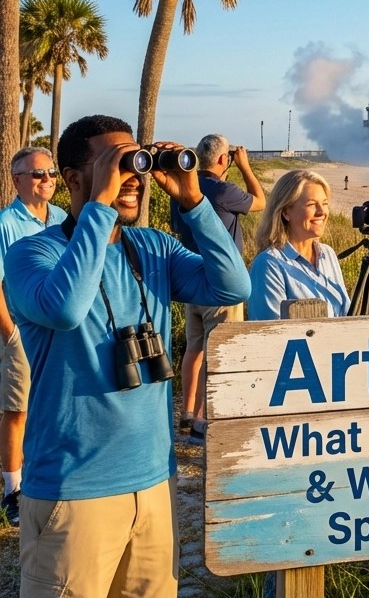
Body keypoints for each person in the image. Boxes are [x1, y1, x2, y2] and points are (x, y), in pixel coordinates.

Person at [3, 114, 250, 598]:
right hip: (73, 491)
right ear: (73, 179)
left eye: (136, 163)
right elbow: (68, 307)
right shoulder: (33, 255)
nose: (132, 177)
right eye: (115, 164)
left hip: (155, 482)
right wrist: (99, 206)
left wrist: (194, 200)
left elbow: (232, 286)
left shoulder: (153, 247)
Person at [170, 134, 266, 442]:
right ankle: (204, 420)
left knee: (194, 348)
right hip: (222, 285)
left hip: (190, 279)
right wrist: (246, 167)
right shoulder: (224, 190)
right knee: (220, 354)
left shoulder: (185, 189)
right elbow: (260, 202)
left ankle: (187, 413)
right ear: (223, 160)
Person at [0, 147, 65, 527]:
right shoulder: (7, 223)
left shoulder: (60, 218)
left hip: (58, 330)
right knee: (17, 408)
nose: (47, 180)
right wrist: (10, 334)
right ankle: (12, 489)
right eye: (38, 174)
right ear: (17, 180)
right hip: (21, 332)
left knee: (50, 403)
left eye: (52, 173)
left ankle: (42, 475)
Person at [248, 170, 350, 319]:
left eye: (325, 203)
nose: (322, 212)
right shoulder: (270, 263)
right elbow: (269, 333)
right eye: (311, 204)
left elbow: (346, 314)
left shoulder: (327, 254)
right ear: (285, 212)